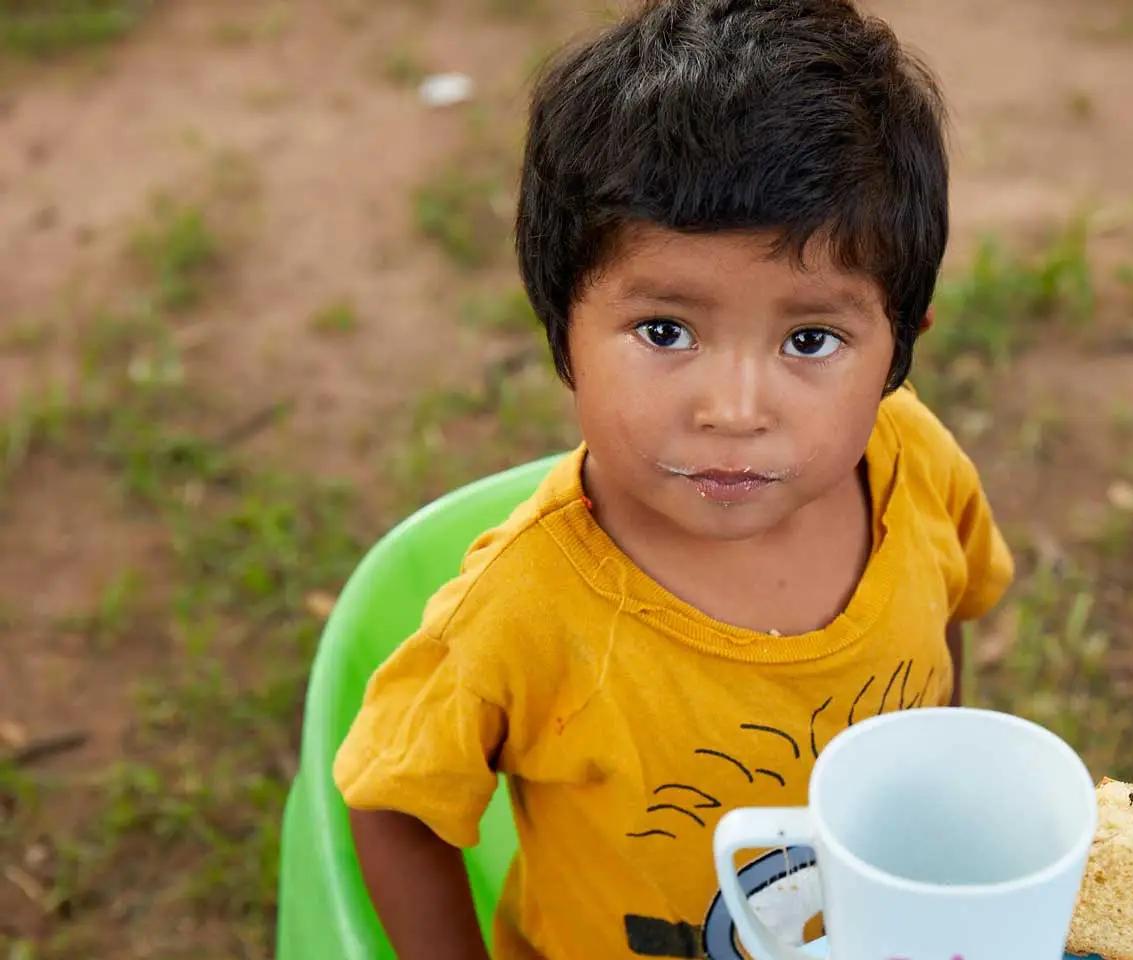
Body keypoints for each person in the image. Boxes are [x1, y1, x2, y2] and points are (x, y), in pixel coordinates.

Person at [334, 1, 1014, 956]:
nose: (734, 409)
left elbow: (947, 618)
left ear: (899, 348)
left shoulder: (915, 464)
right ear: (561, 325)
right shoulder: (520, 609)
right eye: (666, 331)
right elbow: (393, 805)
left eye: (810, 340)